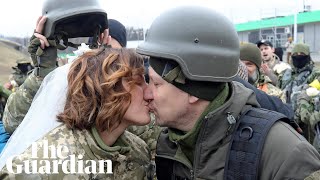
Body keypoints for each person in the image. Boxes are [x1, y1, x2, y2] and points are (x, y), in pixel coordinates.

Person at [136, 6, 320, 179]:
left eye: (156, 84)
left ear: (193, 91)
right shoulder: (170, 142)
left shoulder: (283, 153)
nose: (147, 94)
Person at [0, 47, 154, 179]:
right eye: (138, 83)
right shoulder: (43, 164)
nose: (149, 94)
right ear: (106, 88)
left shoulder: (139, 151)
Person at [290, 43, 320, 151]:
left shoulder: (315, 73)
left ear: (308, 56)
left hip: (307, 124)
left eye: (302, 54)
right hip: (289, 120)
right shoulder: (286, 74)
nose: (298, 56)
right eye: (295, 54)